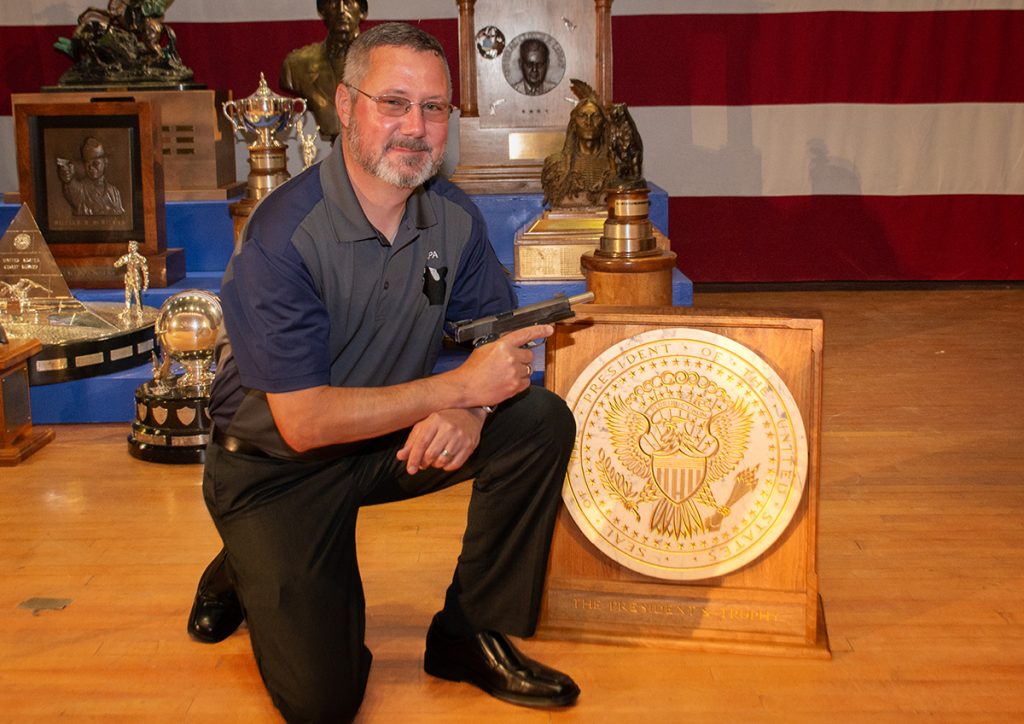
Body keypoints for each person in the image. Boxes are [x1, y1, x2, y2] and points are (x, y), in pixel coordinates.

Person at [187, 22, 580, 721]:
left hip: (385, 443)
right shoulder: (282, 236)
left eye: (434, 108)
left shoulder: (452, 216)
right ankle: (242, 563)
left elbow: (501, 343)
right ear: (344, 105)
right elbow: (303, 422)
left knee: (538, 422)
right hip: (276, 468)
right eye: (393, 102)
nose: (416, 126)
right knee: (325, 703)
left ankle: (468, 634)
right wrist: (458, 387)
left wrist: (471, 410)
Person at [280, 0, 367, 141]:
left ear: (363, 11)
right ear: (322, 11)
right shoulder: (295, 65)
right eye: (333, 2)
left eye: (349, 2)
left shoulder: (383, 62)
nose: (341, 10)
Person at [541, 95, 616, 208]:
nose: (589, 122)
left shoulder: (615, 166)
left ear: (604, 125)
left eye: (595, 117)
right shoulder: (556, 165)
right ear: (574, 125)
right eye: (582, 116)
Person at [56, 137, 125, 216]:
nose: (91, 168)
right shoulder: (81, 189)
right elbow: (72, 187)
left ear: (105, 162)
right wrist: (68, 180)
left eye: (95, 163)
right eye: (87, 163)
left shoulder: (114, 192)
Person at [113, 240, 148, 318]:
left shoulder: (141, 259)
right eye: (129, 247)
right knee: (127, 295)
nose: (130, 248)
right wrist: (117, 263)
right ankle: (127, 310)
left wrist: (146, 284)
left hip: (136, 279)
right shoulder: (126, 257)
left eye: (132, 247)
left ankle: (139, 311)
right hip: (129, 279)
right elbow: (119, 263)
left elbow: (145, 272)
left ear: (136, 248)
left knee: (137, 296)